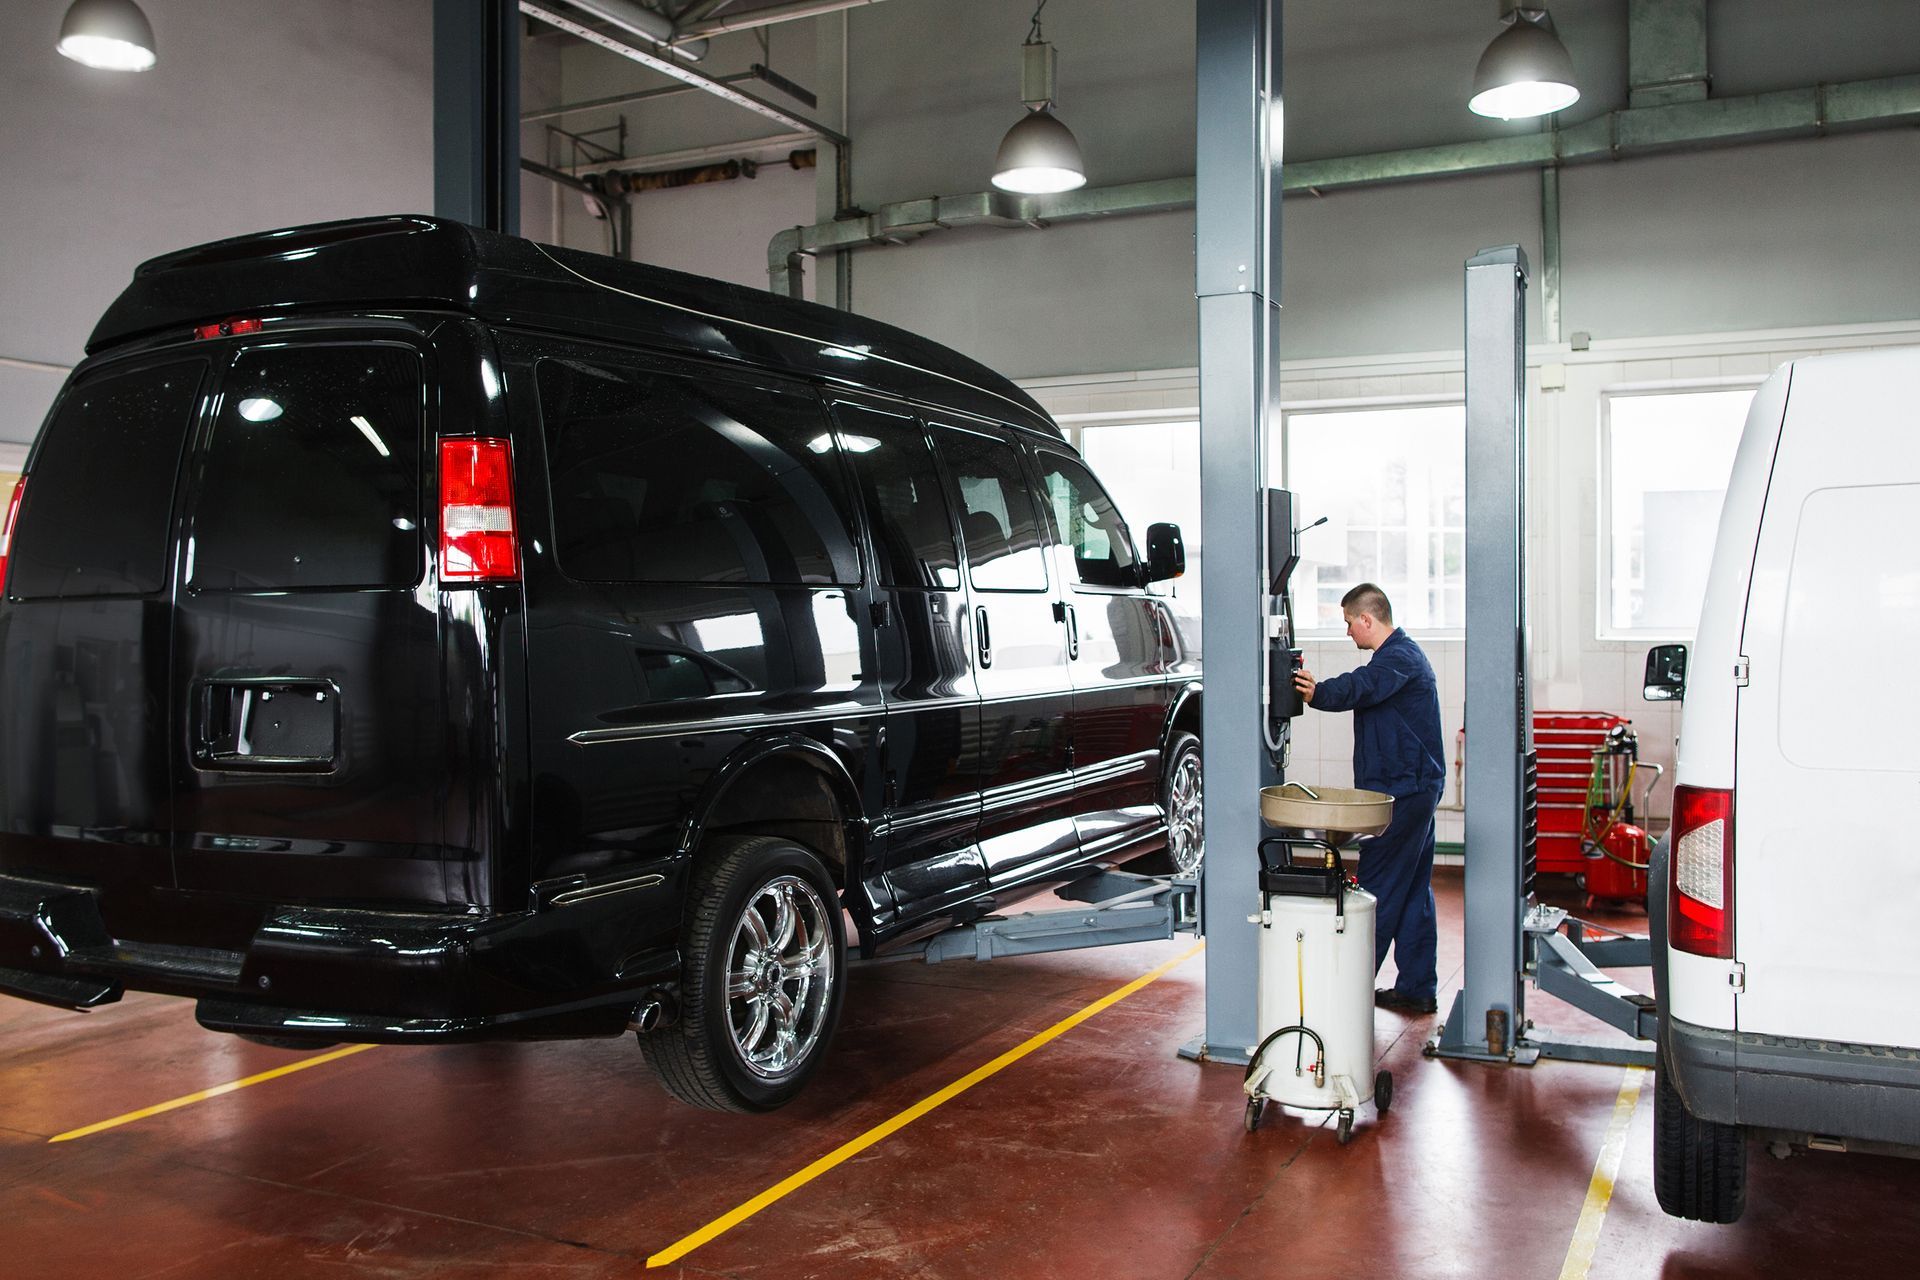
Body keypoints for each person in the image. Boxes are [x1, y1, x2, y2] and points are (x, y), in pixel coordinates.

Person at [1293, 583, 1446, 1014]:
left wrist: (1316, 691)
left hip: (1404, 792)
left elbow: (1362, 686)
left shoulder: (1400, 657)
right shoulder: (1398, 657)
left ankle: (1349, 989)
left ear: (1367, 619)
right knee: (1414, 890)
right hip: (1412, 788)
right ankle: (1417, 986)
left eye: (1348, 624)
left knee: (1376, 888)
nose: (1347, 633)